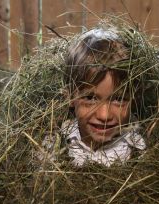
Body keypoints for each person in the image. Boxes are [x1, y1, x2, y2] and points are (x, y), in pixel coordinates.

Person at [56, 26, 146, 167]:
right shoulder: (56, 145)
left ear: (133, 98)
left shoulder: (138, 152)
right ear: (70, 97)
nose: (104, 116)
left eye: (118, 99)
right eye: (90, 98)